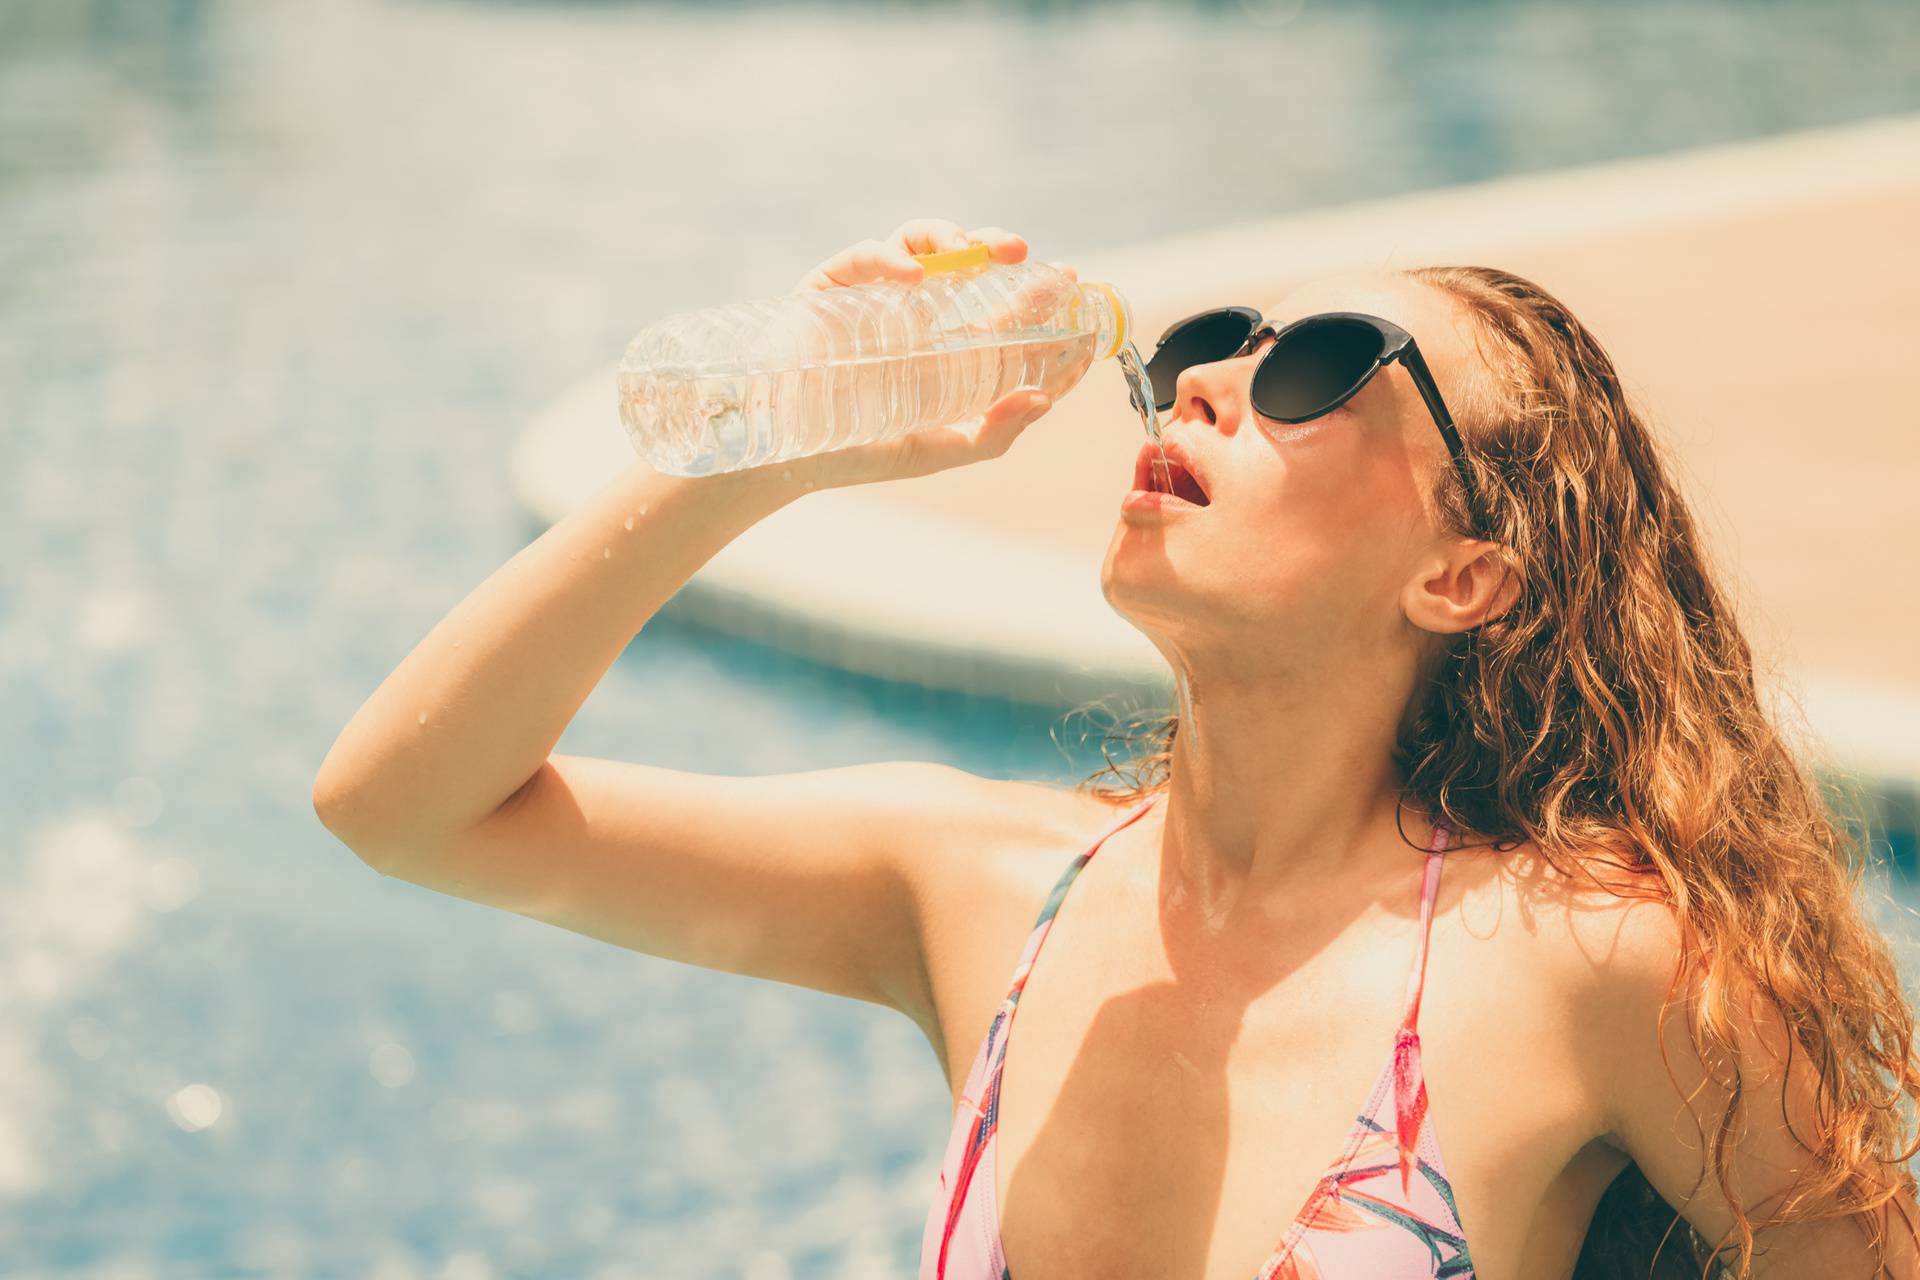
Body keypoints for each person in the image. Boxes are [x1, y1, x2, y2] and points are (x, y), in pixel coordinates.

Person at [314, 217, 1920, 1278]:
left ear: (1465, 573)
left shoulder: (1592, 963)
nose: (1210, 379)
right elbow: (405, 809)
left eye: (1321, 367)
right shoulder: (981, 889)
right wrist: (761, 450)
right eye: (1216, 340)